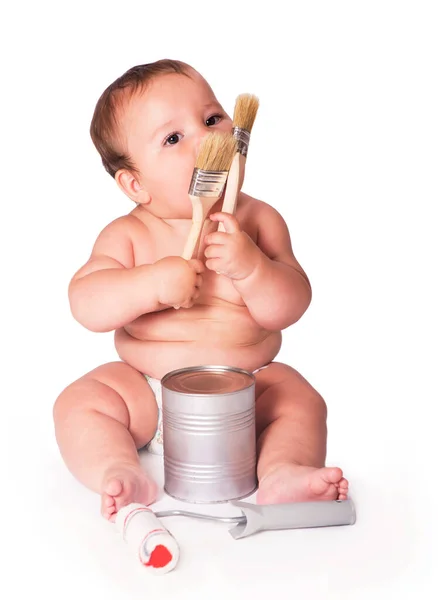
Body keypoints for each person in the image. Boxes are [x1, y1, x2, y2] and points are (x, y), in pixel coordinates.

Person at [53, 59, 348, 522]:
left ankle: (282, 472)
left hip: (247, 394)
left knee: (297, 396)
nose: (209, 138)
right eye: (173, 138)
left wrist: (252, 269)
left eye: (212, 119)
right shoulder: (128, 235)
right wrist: (149, 284)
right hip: (148, 396)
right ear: (135, 184)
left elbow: (291, 305)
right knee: (80, 402)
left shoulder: (259, 220)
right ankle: (118, 468)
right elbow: (86, 303)